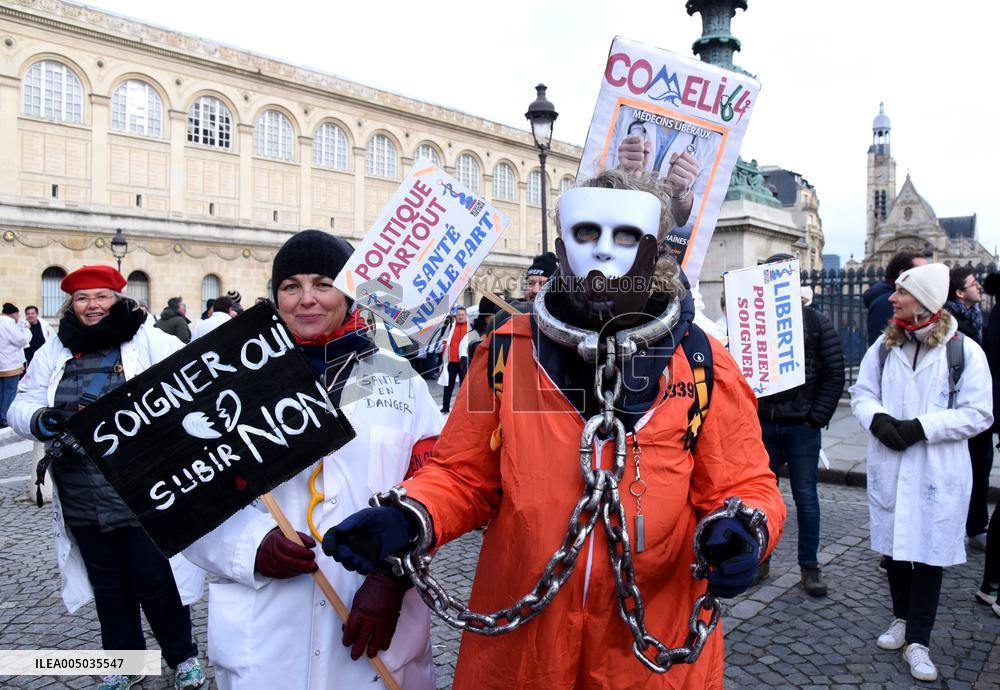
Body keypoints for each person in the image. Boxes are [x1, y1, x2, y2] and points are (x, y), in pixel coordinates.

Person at [325, 170, 786, 689]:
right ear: (563, 241)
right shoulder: (504, 352)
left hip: (647, 650)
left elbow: (744, 484)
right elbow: (461, 475)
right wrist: (411, 516)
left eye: (627, 235)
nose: (604, 252)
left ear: (655, 249)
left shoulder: (703, 363)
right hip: (528, 650)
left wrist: (745, 528)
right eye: (586, 233)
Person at [183, 229, 441, 690]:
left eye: (322, 283)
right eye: (291, 286)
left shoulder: (403, 381)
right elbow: (185, 496)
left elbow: (437, 486)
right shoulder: (230, 382)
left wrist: (393, 576)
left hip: (373, 622)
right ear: (275, 296)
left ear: (347, 292)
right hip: (267, 627)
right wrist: (249, 545)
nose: (307, 300)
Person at [7, 265, 205, 690]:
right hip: (80, 492)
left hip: (139, 488)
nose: (92, 306)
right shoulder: (54, 348)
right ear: (71, 305)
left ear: (118, 298)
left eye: (101, 296)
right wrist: (40, 419)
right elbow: (21, 402)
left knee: (155, 579)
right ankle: (125, 661)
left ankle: (182, 656)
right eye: (82, 298)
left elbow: (189, 380)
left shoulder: (147, 337)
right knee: (109, 586)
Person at [850, 262, 992, 682]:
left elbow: (979, 413)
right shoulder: (883, 347)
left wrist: (922, 427)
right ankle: (900, 618)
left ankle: (920, 640)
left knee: (928, 552)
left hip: (935, 470)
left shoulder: (964, 352)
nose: (892, 298)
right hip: (892, 464)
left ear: (924, 300)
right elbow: (862, 394)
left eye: (901, 292)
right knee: (894, 547)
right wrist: (877, 420)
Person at [754, 254, 845, 596]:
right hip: (765, 424)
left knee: (805, 497)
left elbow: (834, 374)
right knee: (762, 497)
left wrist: (815, 417)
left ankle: (809, 566)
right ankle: (761, 559)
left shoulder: (817, 323)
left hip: (801, 427)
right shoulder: (757, 325)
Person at [609, 105, 718, 246]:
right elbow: (594, 188)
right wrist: (623, 174)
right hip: (616, 231)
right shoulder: (624, 115)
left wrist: (681, 195)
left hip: (666, 248)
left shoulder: (713, 141)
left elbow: (700, 221)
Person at [944, 266, 993, 552]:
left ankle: (975, 525)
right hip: (956, 412)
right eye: (974, 284)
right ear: (960, 292)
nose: (980, 288)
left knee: (980, 470)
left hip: (978, 408)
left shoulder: (978, 318)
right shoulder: (955, 328)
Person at [863, 251, 928, 347]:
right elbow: (884, 346)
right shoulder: (886, 302)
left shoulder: (884, 296)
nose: (927, 276)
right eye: (921, 271)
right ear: (903, 273)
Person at [0, 303, 30, 428]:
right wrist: (26, 329)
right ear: (14, 313)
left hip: (2, 363)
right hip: (9, 365)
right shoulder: (8, 323)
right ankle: (4, 418)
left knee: (1, 392)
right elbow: (22, 340)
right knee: (9, 392)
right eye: (18, 313)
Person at [437, 306, 468, 414]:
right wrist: (443, 357)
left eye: (462, 315)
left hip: (464, 361)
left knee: (465, 386)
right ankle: (445, 407)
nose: (460, 317)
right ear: (456, 316)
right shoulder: (451, 327)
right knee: (448, 385)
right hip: (452, 361)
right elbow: (444, 341)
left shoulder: (470, 327)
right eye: (458, 315)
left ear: (466, 316)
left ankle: (464, 408)